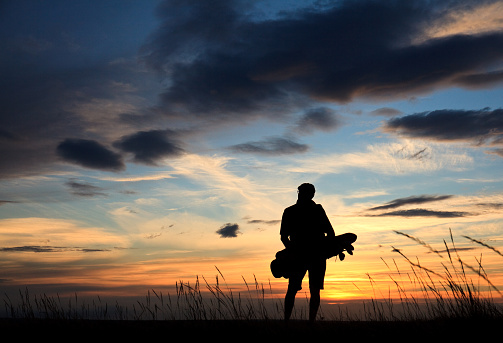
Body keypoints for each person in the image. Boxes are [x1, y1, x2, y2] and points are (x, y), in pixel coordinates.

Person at [280, 183, 335, 322]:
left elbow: (330, 233)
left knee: (301, 289)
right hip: (307, 255)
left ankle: (302, 322)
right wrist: (292, 251)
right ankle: (305, 322)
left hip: (310, 255)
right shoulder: (295, 211)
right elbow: (330, 233)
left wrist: (291, 250)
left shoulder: (296, 211)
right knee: (300, 289)